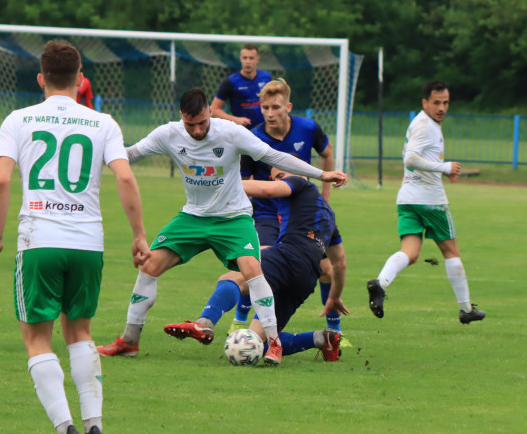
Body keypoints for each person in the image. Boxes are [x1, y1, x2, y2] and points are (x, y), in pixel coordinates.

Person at [0, 40, 150, 434]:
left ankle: (65, 430)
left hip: (39, 239)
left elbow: (2, 182)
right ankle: (94, 426)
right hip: (87, 243)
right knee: (80, 334)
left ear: (41, 78)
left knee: (37, 339)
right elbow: (126, 179)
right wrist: (139, 234)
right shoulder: (103, 123)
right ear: (80, 79)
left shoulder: (18, 120)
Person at [96, 87, 348, 365]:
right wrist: (99, 148)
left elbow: (273, 156)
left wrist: (321, 174)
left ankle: (274, 343)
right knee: (149, 266)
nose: (197, 130)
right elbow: (128, 156)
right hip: (192, 217)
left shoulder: (229, 132)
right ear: (182, 117)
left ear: (208, 113)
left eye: (202, 122)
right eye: (190, 125)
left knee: (252, 270)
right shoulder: (168, 134)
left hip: (233, 217)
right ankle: (129, 341)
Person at [164, 167, 347, 362]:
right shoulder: (329, 215)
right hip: (307, 277)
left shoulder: (300, 184)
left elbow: (267, 190)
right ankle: (323, 338)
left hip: (287, 256)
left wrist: (222, 186)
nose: (277, 180)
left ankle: (204, 323)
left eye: (281, 176)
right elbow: (340, 263)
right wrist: (334, 297)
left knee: (233, 278)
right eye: (275, 177)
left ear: (301, 172)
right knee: (254, 342)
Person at [366, 79, 485, 325]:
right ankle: (465, 309)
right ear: (425, 102)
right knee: (451, 251)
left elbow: (418, 157)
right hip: (430, 201)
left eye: (446, 103)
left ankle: (380, 283)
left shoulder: (423, 122)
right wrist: (444, 167)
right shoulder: (426, 125)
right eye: (436, 102)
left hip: (407, 199)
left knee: (410, 253)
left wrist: (442, 169)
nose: (442, 107)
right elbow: (411, 158)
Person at [233, 78, 341, 334]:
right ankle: (240, 322)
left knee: (327, 269)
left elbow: (327, 154)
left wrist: (324, 196)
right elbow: (245, 181)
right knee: (260, 267)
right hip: (267, 213)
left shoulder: (308, 128)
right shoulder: (254, 138)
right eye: (265, 108)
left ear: (288, 107)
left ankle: (335, 331)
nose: (270, 113)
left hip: (302, 213)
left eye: (276, 107)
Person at [209, 44, 272, 127]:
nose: (248, 61)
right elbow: (213, 109)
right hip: (242, 130)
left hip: (265, 128)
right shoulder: (230, 81)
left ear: (258, 59)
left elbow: (273, 101)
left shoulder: (266, 77)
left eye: (251, 58)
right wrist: (235, 120)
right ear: (240, 59)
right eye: (245, 58)